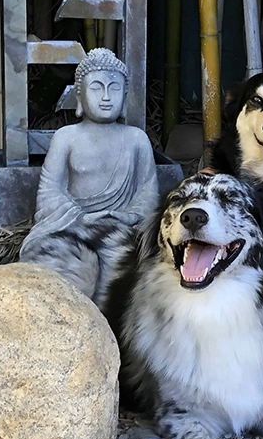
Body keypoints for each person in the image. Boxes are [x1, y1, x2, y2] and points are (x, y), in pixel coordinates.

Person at [19, 48, 159, 302]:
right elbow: (50, 192)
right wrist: (82, 217)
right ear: (80, 96)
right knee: (46, 257)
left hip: (121, 230)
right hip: (73, 227)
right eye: (96, 88)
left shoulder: (136, 139)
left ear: (125, 96)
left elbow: (148, 195)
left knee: (144, 261)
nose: (106, 97)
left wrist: (126, 215)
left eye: (114, 88)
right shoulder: (66, 137)